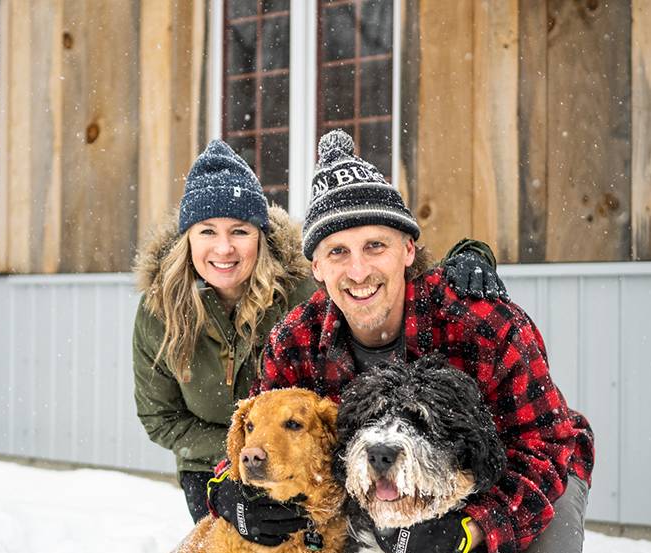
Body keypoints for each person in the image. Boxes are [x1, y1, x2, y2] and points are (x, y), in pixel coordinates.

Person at [207, 130, 607, 553]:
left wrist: (472, 533)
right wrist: (231, 496)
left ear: (409, 250)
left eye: (375, 245)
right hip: (385, 484)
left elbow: (545, 447)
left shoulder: (481, 320)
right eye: (337, 252)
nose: (359, 269)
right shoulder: (296, 340)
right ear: (315, 267)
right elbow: (252, 435)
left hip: (523, 475)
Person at [133, 139, 506, 523]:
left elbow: (386, 275)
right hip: (213, 464)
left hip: (311, 458)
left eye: (240, 231)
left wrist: (471, 252)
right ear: (187, 240)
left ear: (261, 234)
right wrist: (239, 462)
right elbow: (159, 418)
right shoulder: (159, 312)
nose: (224, 248)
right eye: (207, 231)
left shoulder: (301, 294)